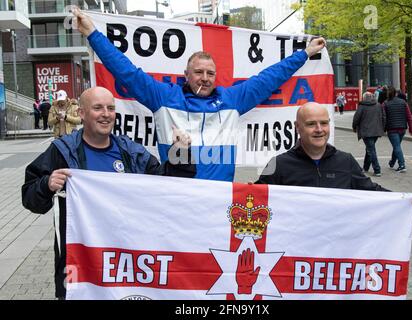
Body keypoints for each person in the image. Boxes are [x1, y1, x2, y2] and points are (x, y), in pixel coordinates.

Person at [72, 7, 326, 182]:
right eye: (199, 72)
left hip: (219, 198)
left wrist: (304, 53)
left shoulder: (232, 99)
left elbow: (269, 78)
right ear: (186, 74)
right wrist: (92, 34)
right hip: (177, 195)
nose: (205, 78)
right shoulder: (163, 97)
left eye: (210, 73)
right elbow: (125, 71)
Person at [22, 86, 195, 299]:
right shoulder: (62, 151)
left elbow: (166, 186)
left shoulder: (130, 152)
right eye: (98, 108)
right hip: (81, 264)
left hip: (126, 263)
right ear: (81, 113)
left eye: (111, 108)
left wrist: (181, 152)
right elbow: (30, 198)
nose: (106, 114)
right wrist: (47, 184)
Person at [255, 103, 412, 211]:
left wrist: (404, 201)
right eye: (311, 124)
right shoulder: (278, 164)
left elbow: (371, 191)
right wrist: (247, 192)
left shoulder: (346, 161)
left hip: (334, 257)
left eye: (324, 123)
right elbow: (257, 199)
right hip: (295, 256)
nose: (319, 129)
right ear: (297, 128)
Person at [352, 92, 386, 177]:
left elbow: (356, 118)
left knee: (371, 150)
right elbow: (384, 117)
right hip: (376, 131)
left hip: (366, 132)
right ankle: (365, 167)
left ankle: (377, 170)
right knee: (370, 149)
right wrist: (383, 128)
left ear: (364, 98)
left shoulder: (362, 106)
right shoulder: (378, 105)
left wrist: (354, 127)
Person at [384, 86, 412, 173]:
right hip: (402, 128)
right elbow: (409, 116)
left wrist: (383, 128)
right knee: (397, 146)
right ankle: (392, 162)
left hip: (392, 129)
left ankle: (402, 165)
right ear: (396, 93)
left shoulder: (385, 104)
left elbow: (383, 118)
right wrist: (411, 128)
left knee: (396, 146)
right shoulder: (403, 102)